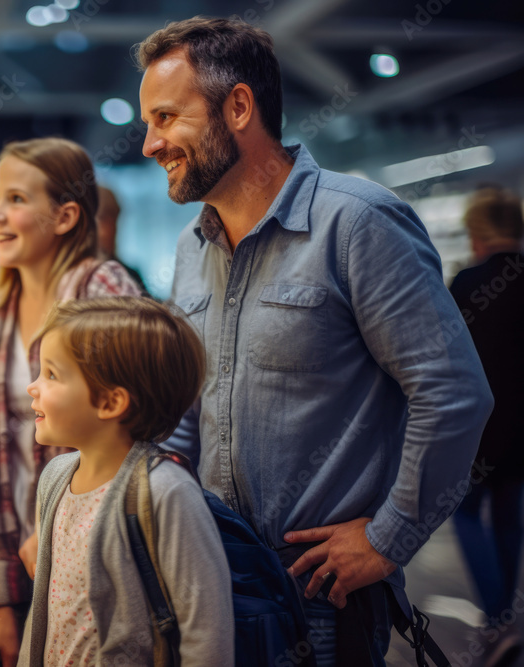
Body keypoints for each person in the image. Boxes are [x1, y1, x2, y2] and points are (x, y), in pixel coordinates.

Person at [136, 17, 493, 665]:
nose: (148, 143)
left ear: (238, 106)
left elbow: (453, 392)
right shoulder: (193, 248)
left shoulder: (357, 223)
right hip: (214, 588)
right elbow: (190, 411)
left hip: (321, 604)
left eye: (165, 117)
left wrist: (388, 538)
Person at [0, 137, 142, 667]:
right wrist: (0, 604)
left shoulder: (103, 290)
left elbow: (142, 435)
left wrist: (63, 529)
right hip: (23, 564)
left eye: (16, 199)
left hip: (101, 565)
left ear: (64, 216)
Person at [16, 297, 233, 666]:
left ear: (110, 402)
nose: (32, 387)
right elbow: (43, 611)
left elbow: (207, 630)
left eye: (51, 374)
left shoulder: (165, 492)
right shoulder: (54, 478)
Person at [449, 186, 524, 667]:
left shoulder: (465, 283)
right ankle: (505, 614)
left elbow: (447, 362)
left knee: (464, 512)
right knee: (509, 514)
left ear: (477, 234)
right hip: (523, 428)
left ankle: (498, 617)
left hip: (478, 426)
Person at [96, 186, 147, 293]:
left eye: (114, 220)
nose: (109, 231)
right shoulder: (74, 276)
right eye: (102, 219)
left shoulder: (130, 275)